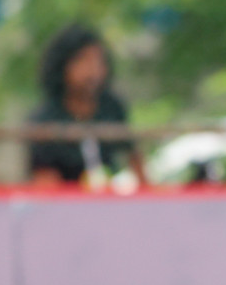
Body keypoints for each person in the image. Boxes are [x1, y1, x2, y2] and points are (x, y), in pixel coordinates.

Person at [28, 25, 146, 188]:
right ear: (63, 65)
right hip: (66, 204)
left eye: (98, 60)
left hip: (109, 200)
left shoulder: (112, 107)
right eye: (83, 60)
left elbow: (134, 160)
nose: (93, 70)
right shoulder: (45, 118)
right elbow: (45, 182)